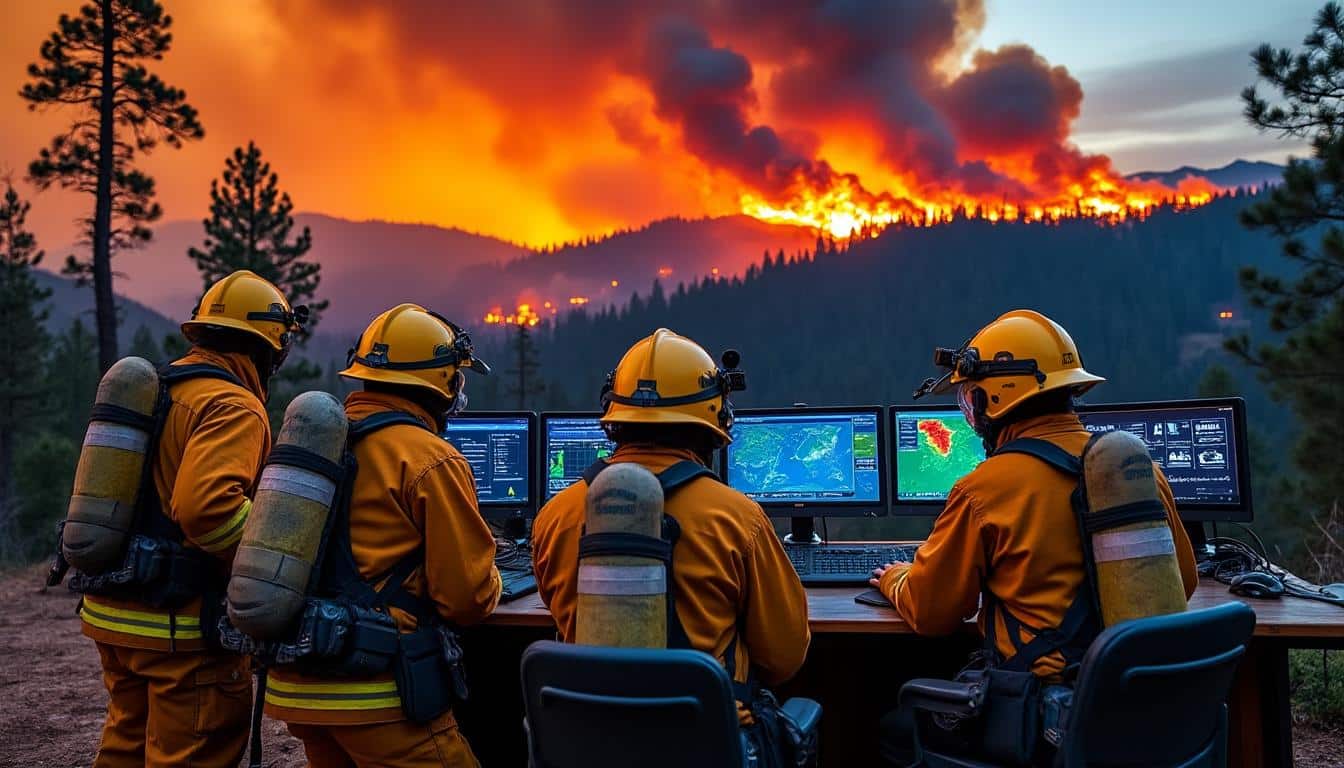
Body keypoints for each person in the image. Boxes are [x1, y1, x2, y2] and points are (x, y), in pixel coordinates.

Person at [871, 309, 1199, 766]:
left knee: (892, 730)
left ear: (993, 399)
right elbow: (1181, 582)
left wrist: (895, 579)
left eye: (969, 399)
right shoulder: (1137, 472)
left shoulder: (985, 488)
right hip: (1142, 712)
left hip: (1043, 723)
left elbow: (931, 612)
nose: (970, 412)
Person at [531, 328, 811, 726]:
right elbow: (784, 657)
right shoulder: (737, 519)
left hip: (590, 740)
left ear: (614, 418)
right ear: (715, 423)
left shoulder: (555, 517)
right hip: (708, 740)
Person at [265, 303, 501, 768]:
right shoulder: (431, 458)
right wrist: (494, 575)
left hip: (297, 681)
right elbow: (466, 600)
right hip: (376, 687)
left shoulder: (318, 442)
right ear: (446, 385)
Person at [81, 270, 301, 767]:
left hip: (114, 612)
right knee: (193, 750)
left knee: (126, 744)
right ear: (269, 347)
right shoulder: (233, 405)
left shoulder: (158, 387)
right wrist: (273, 559)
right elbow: (207, 509)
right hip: (179, 627)